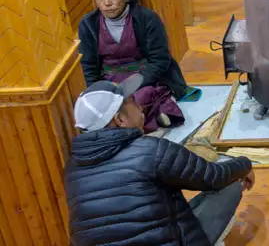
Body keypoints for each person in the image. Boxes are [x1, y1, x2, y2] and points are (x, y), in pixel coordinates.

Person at [66, 75, 255, 246]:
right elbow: (214, 176)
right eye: (132, 101)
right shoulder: (151, 150)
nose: (140, 106)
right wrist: (244, 164)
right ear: (120, 119)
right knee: (230, 183)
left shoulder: (72, 170)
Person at [78, 0, 191, 133]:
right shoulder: (88, 23)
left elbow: (160, 60)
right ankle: (152, 118)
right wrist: (98, 93)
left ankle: (143, 123)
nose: (107, 2)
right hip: (110, 81)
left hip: (144, 77)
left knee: (135, 99)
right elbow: (88, 65)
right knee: (101, 107)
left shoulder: (146, 18)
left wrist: (131, 86)